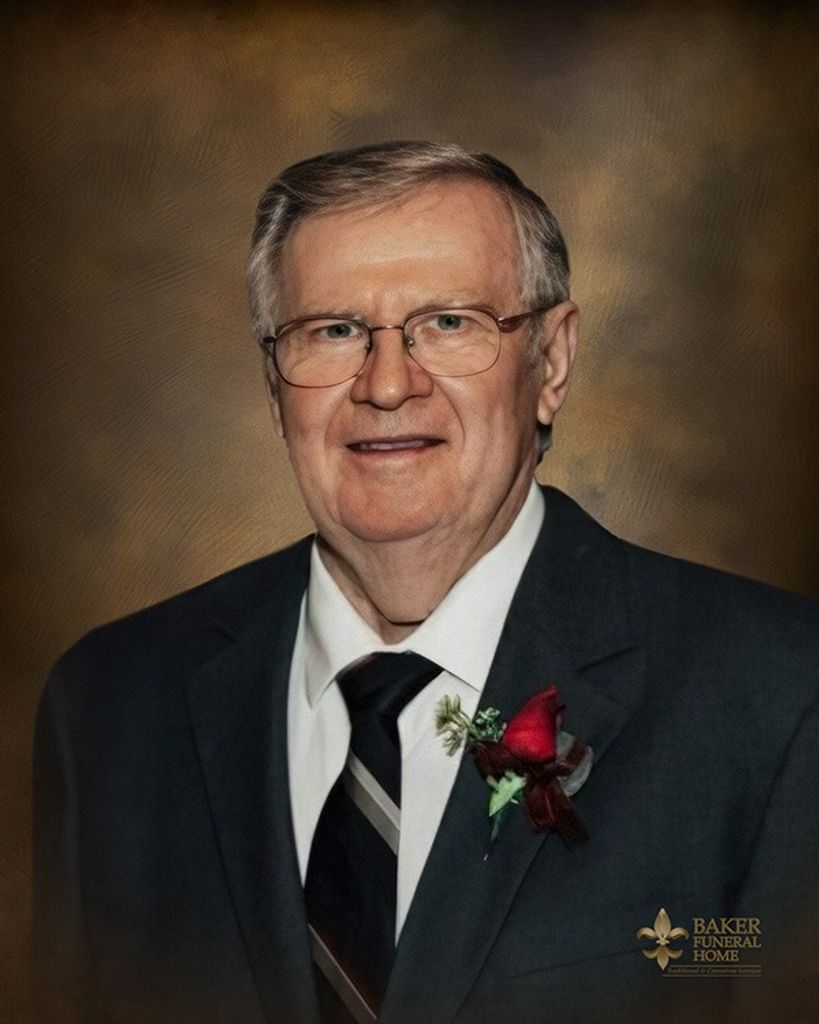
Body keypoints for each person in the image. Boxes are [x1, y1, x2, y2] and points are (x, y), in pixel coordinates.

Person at [34, 141, 819, 1024]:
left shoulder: (780, 695)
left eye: (448, 322)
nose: (386, 384)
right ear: (273, 383)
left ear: (551, 362)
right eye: (333, 330)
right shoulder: (109, 703)